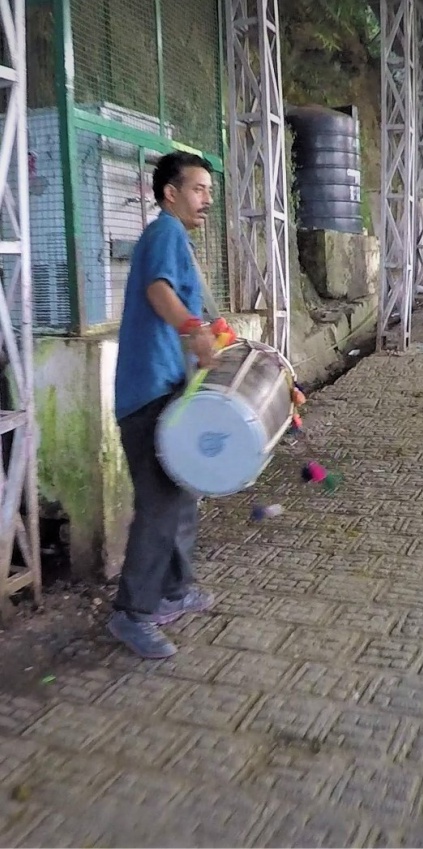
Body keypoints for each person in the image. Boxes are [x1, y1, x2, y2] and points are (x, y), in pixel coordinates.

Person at [109, 151, 218, 659]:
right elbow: (158, 292)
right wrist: (194, 331)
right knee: (157, 505)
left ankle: (174, 591)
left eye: (208, 191)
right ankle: (131, 613)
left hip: (164, 386)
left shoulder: (172, 238)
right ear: (170, 192)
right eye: (198, 189)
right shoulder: (166, 233)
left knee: (179, 493)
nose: (206, 200)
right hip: (147, 391)